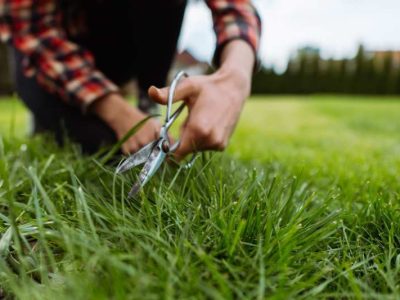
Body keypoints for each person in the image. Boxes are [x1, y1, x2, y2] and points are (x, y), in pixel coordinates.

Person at [0, 0, 261, 159]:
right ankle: (47, 117)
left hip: (123, 46)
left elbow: (235, 9)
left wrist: (234, 76)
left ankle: (148, 105)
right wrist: (116, 112)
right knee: (98, 145)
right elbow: (33, 32)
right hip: (45, 58)